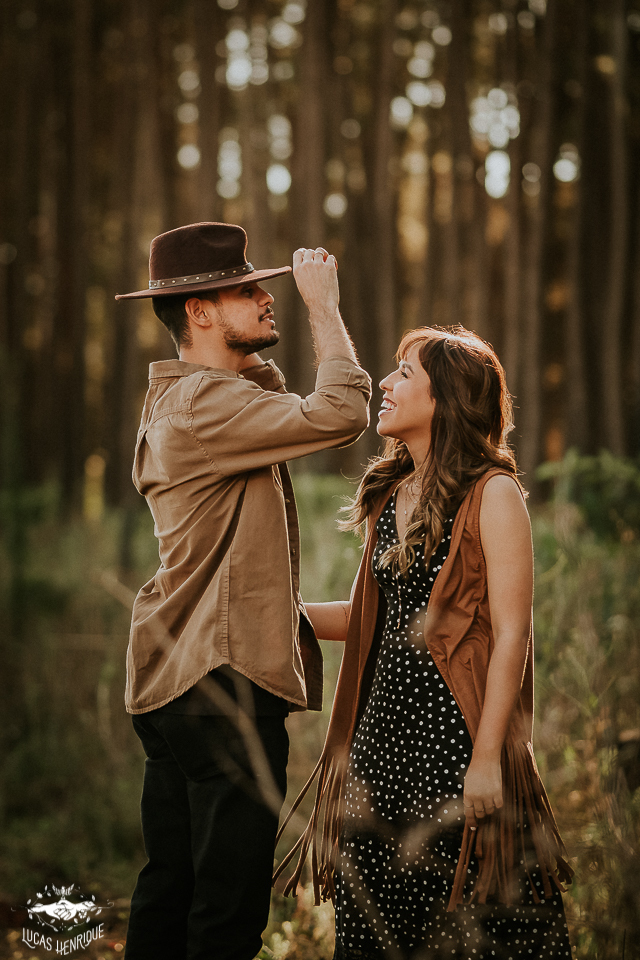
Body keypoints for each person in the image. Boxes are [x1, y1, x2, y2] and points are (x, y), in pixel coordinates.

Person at [114, 221, 371, 960]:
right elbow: (342, 414)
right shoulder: (206, 406)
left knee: (174, 891)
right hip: (220, 681)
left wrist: (253, 350)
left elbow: (279, 403)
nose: (268, 299)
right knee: (224, 913)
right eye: (247, 289)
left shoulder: (190, 399)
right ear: (198, 310)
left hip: (177, 678)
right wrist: (324, 306)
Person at [275, 326, 574, 959]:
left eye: (403, 373)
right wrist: (278, 618)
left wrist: (488, 756)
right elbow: (375, 617)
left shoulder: (494, 494)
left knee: (481, 931)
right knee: (380, 933)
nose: (384, 384)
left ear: (447, 398)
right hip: (379, 752)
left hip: (455, 746)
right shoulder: (390, 494)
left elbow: (512, 630)